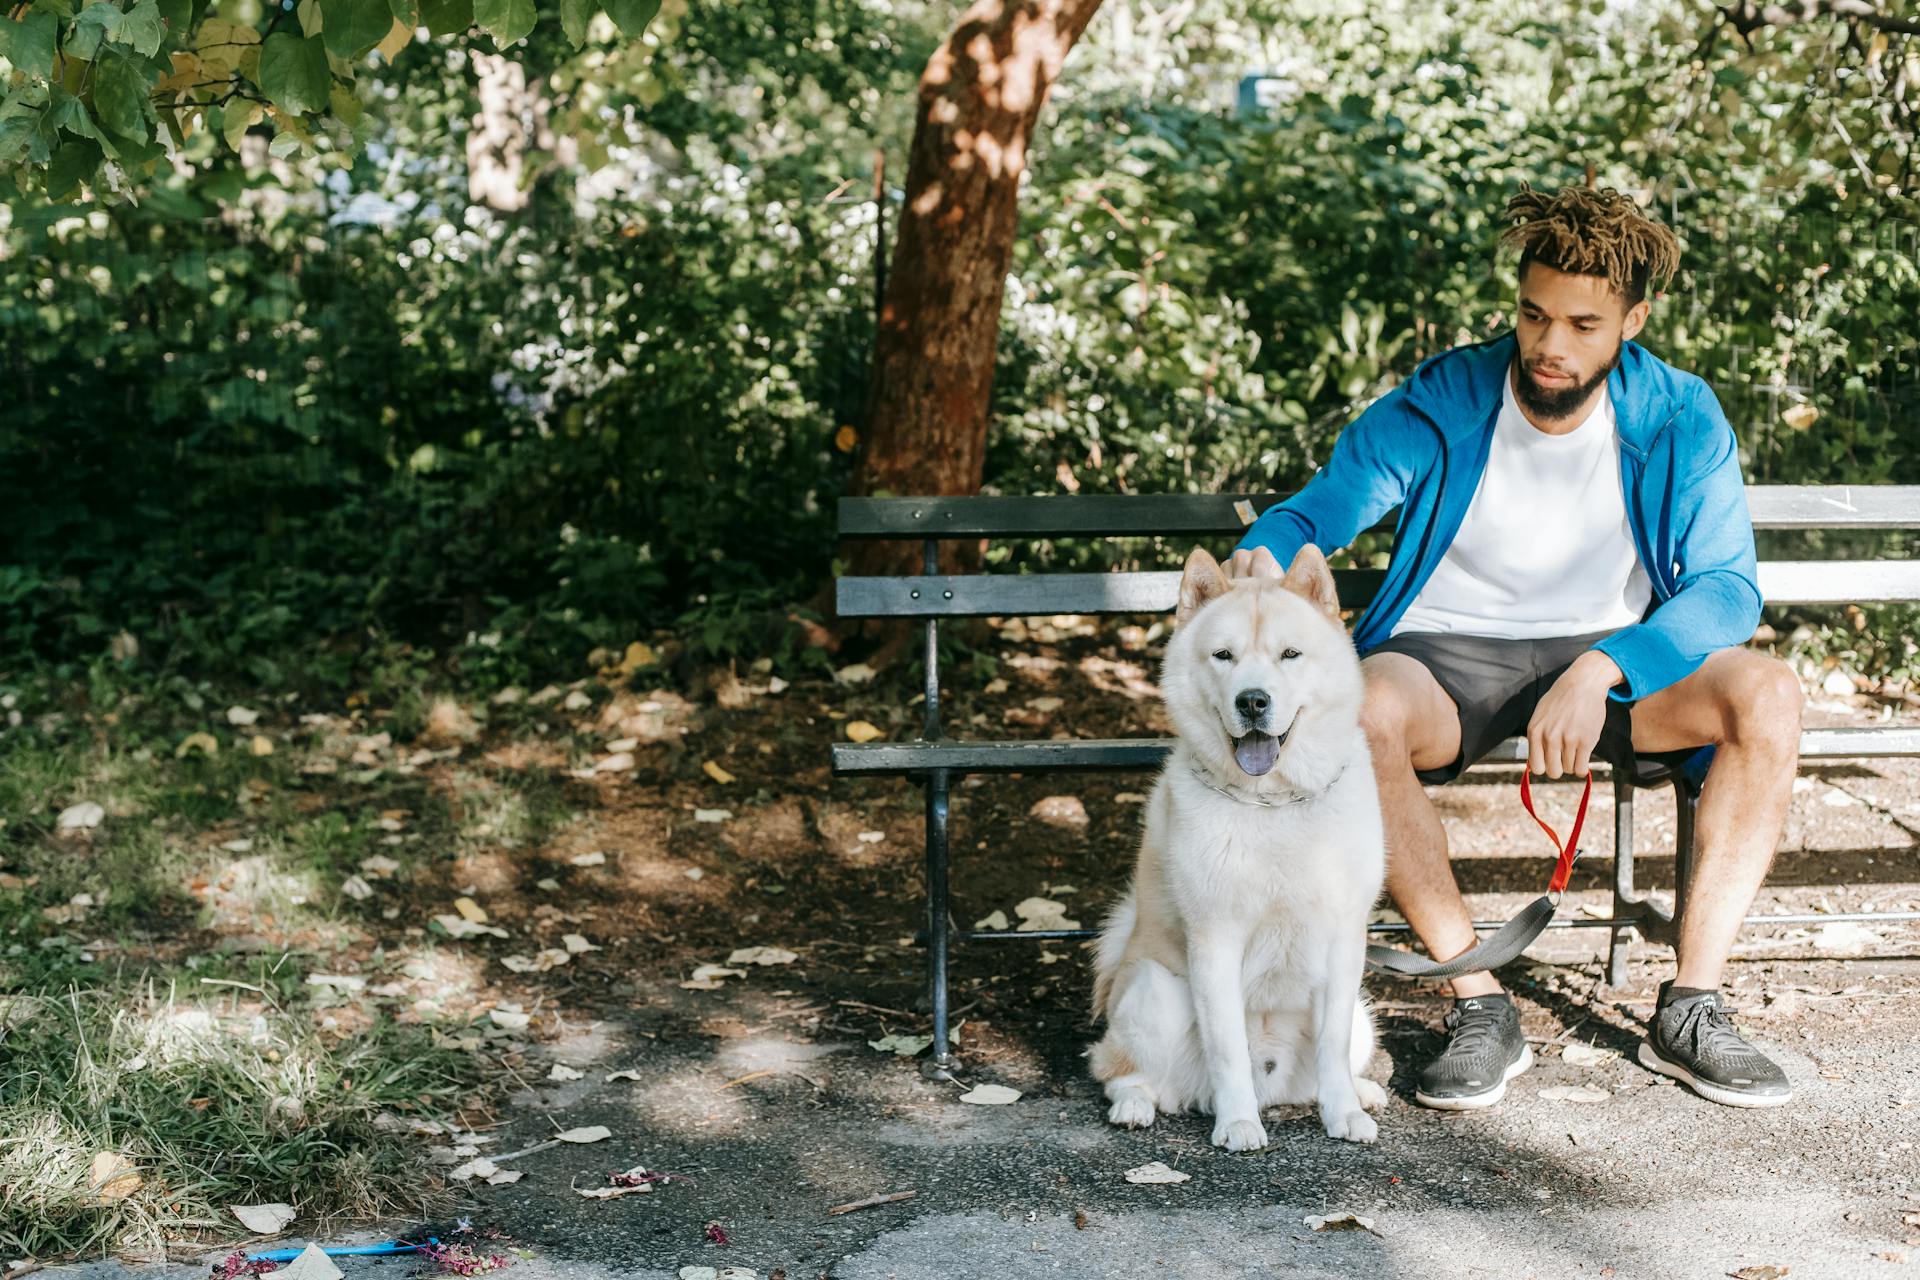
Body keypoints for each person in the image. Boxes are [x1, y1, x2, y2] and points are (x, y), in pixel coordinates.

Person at [1229, 183, 1802, 1110]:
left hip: (1612, 662)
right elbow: (1326, 504)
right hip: (1449, 653)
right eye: (1535, 315)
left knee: (1767, 694)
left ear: (1633, 320)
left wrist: (1606, 664)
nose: (1550, 345)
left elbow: (1728, 588)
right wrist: (1274, 543)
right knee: (1358, 709)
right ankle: (1479, 1003)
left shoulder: (1678, 415)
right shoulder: (1448, 395)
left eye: (1583, 324)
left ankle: (1692, 1005)